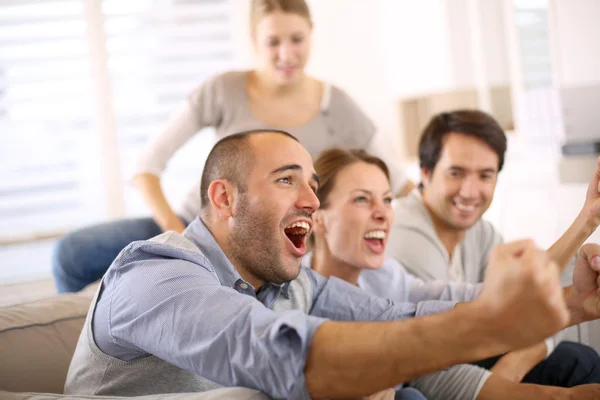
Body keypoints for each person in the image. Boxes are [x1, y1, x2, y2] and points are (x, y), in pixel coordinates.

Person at [65, 129, 600, 400]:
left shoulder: (292, 285)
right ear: (224, 199)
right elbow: (282, 356)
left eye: (313, 187)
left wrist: (571, 304)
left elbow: (400, 314)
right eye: (285, 180)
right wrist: (492, 323)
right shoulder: (155, 273)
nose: (311, 202)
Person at [51, 0, 413, 294]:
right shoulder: (223, 90)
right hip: (193, 224)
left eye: (296, 39)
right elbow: (147, 165)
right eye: (273, 42)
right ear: (255, 42)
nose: (286, 53)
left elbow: (399, 183)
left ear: (311, 37)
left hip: (261, 244)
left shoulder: (338, 107)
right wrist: (173, 228)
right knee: (71, 255)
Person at [305, 147, 600, 399]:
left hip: (422, 373)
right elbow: (431, 368)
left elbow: (478, 301)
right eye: (361, 199)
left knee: (574, 360)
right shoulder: (296, 299)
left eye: (387, 199)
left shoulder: (384, 274)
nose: (382, 213)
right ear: (317, 218)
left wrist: (578, 298)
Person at [386, 109, 600, 384]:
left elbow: (526, 296)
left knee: (574, 360)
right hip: (426, 373)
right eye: (456, 173)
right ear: (426, 173)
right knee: (575, 366)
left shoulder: (478, 230)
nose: (470, 191)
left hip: (464, 355)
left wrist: (516, 362)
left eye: (485, 175)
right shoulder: (406, 233)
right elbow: (431, 362)